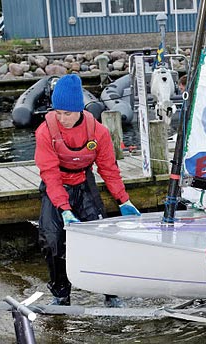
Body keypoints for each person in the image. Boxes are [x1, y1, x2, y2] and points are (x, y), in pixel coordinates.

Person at [34, 74, 141, 306]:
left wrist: (123, 200)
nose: (62, 118)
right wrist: (63, 208)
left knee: (101, 238)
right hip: (56, 186)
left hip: (84, 182)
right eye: (57, 112)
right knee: (51, 240)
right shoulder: (45, 131)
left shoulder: (98, 132)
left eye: (67, 113)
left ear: (80, 110)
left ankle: (110, 292)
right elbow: (49, 174)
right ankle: (61, 293)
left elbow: (108, 168)